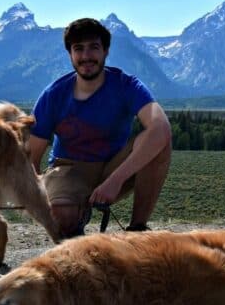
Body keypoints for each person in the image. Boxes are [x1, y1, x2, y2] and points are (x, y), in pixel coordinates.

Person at [28, 18, 172, 239]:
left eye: (94, 48)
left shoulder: (126, 85)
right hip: (68, 169)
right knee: (62, 215)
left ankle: (137, 230)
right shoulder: (53, 95)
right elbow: (31, 157)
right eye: (79, 49)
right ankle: (72, 220)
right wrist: (41, 200)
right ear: (70, 54)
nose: (86, 56)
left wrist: (114, 181)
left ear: (105, 51)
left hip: (114, 166)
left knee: (159, 141)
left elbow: (161, 128)